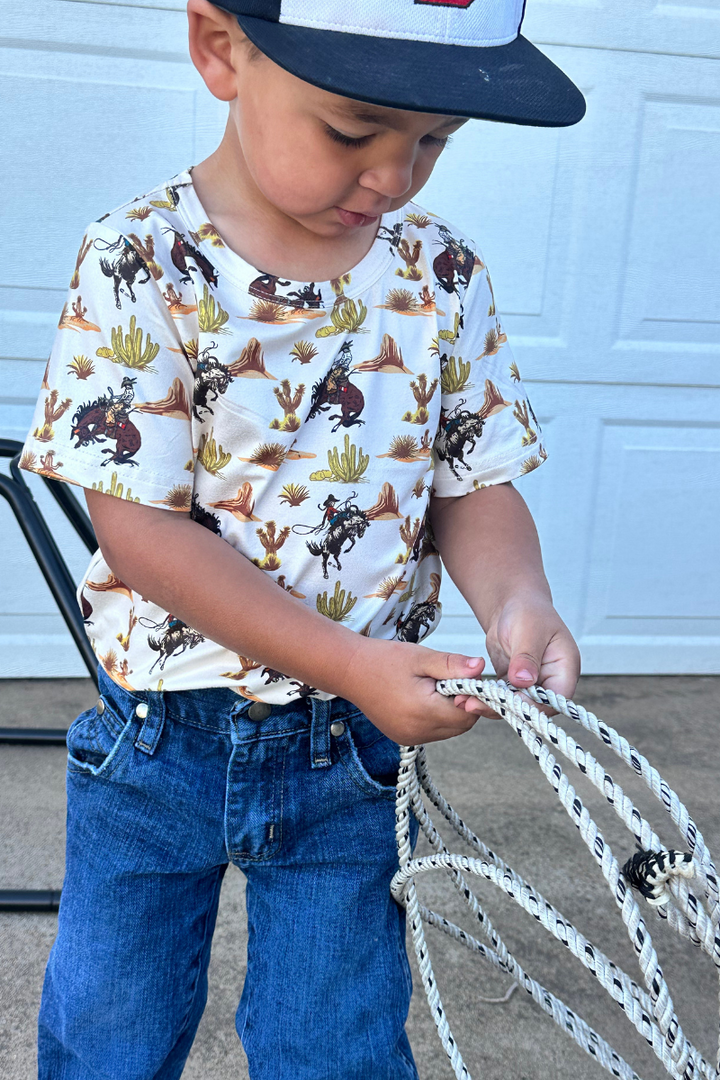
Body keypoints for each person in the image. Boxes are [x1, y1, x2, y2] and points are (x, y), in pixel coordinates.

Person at [20, 2, 585, 1076]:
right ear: (220, 50)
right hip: (163, 734)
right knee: (108, 1026)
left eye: (434, 141)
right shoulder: (141, 259)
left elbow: (473, 483)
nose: (392, 175)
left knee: (336, 1039)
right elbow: (140, 533)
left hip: (347, 755)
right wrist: (349, 661)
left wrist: (519, 598)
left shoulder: (441, 275)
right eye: (352, 129)